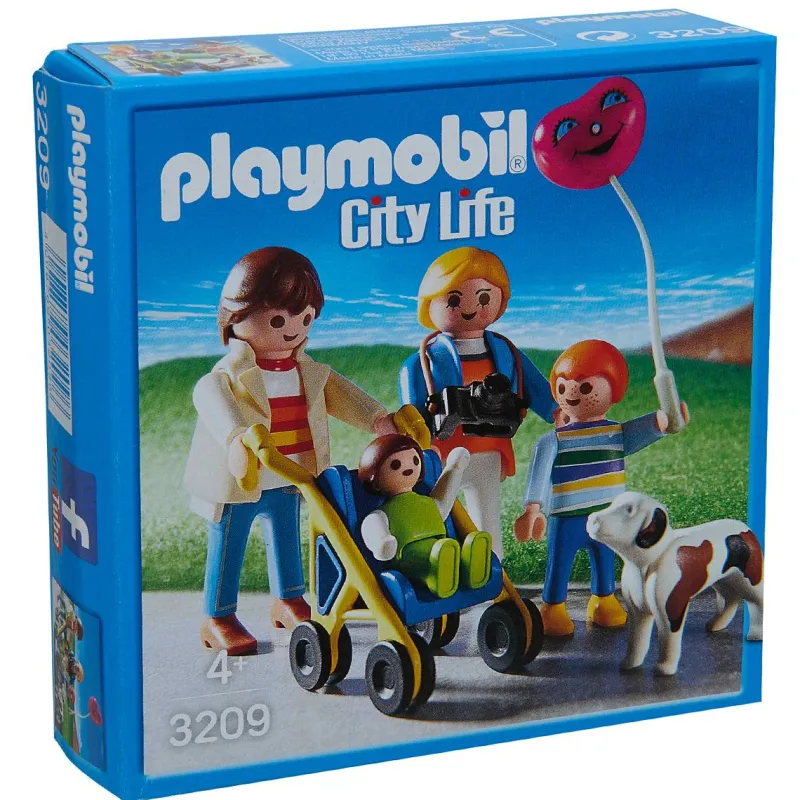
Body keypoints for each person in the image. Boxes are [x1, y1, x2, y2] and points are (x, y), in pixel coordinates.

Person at [185, 246, 396, 655]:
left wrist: (377, 419)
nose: (293, 329)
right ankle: (218, 617)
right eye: (278, 320)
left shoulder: (308, 371)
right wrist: (236, 438)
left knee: (286, 538)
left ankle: (289, 600)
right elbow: (210, 400)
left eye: (305, 318)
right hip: (242, 480)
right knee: (228, 547)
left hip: (291, 473)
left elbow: (345, 397)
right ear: (235, 317)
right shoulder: (226, 375)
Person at [514, 339, 689, 636]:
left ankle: (604, 599)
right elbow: (539, 473)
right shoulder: (554, 440)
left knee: (604, 558)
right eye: (563, 386)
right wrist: (533, 508)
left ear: (614, 390)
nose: (571, 394)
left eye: (584, 387)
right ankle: (553, 607)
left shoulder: (615, 434)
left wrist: (666, 419)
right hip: (567, 517)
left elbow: (648, 428)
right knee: (560, 563)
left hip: (607, 515)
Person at [399, 246, 560, 556]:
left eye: (484, 298)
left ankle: (491, 570)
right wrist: (418, 438)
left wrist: (554, 410)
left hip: (489, 447)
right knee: (437, 516)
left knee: (487, 519)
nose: (471, 308)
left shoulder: (506, 352)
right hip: (442, 450)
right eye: (454, 300)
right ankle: (438, 565)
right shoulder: (423, 362)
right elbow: (411, 411)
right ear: (429, 304)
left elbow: (534, 386)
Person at [358, 435, 492, 599]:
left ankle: (470, 567)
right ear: (374, 478)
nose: (408, 468)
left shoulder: (426, 502)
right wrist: (382, 542)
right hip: (408, 558)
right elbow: (371, 525)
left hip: (441, 546)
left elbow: (443, 502)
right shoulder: (383, 512)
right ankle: (435, 576)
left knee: (449, 551)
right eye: (395, 464)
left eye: (415, 461)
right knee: (439, 555)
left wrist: (454, 469)